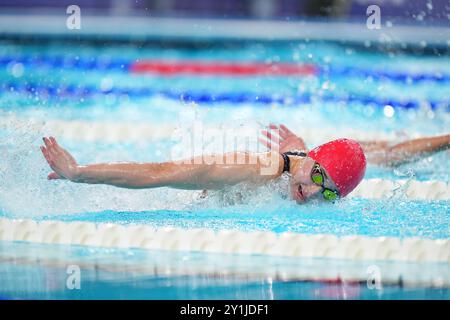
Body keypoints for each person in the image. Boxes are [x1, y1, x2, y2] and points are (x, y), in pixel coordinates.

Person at [40, 134, 367, 204]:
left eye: (327, 191)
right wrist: (81, 173)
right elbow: (160, 173)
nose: (311, 193)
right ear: (310, 159)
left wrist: (290, 140)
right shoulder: (253, 170)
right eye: (317, 177)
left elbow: (294, 150)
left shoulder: (301, 162)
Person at [259, 124, 450, 167]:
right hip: (303, 160)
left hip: (306, 162)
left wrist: (297, 155)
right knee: (384, 154)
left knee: (385, 157)